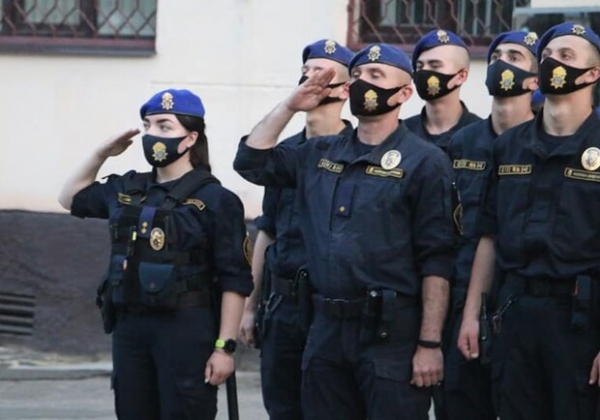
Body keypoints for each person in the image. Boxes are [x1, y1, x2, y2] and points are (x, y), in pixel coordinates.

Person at [234, 43, 456, 420]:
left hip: (391, 334)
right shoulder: (318, 154)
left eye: (375, 75)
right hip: (326, 328)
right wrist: (290, 105)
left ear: (404, 93)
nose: (362, 83)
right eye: (356, 75)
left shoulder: (426, 161)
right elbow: (250, 162)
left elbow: (437, 259)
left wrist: (429, 343)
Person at [58, 89, 253, 420]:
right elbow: (69, 198)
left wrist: (225, 347)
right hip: (130, 326)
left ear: (191, 137)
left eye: (164, 126)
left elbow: (235, 279)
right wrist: (101, 153)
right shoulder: (129, 188)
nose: (153, 135)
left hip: (186, 327)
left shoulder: (217, 200)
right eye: (148, 126)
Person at [457, 22, 600, 420]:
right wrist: (471, 315)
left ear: (592, 73)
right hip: (515, 311)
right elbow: (489, 236)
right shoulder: (509, 146)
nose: (554, 62)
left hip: (581, 318)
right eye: (548, 55)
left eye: (566, 56)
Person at [237, 39, 353, 420]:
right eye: (306, 72)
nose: (311, 79)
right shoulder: (284, 153)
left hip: (331, 308)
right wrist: (250, 307)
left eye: (323, 73)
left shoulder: (358, 150)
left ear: (345, 89)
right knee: (283, 408)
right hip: (283, 305)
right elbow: (267, 231)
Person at [447, 30, 539, 420]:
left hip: (520, 301)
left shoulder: (543, 144)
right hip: (461, 299)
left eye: (515, 57)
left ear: (536, 78)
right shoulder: (462, 142)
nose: (501, 63)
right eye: (497, 55)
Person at [404, 29, 482, 155]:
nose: (424, 72)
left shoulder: (481, 135)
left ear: (461, 76)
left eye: (435, 66)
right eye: (420, 66)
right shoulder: (402, 133)